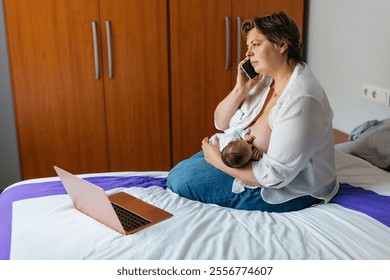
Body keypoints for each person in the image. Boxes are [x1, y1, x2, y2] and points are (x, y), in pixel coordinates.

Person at [167, 12, 339, 212]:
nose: (248, 53)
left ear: (282, 45)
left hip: (286, 186)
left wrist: (217, 161)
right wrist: (241, 89)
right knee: (180, 172)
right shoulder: (266, 78)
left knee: (179, 180)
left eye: (256, 44)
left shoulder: (302, 99)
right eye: (248, 46)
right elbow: (221, 122)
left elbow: (275, 176)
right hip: (241, 156)